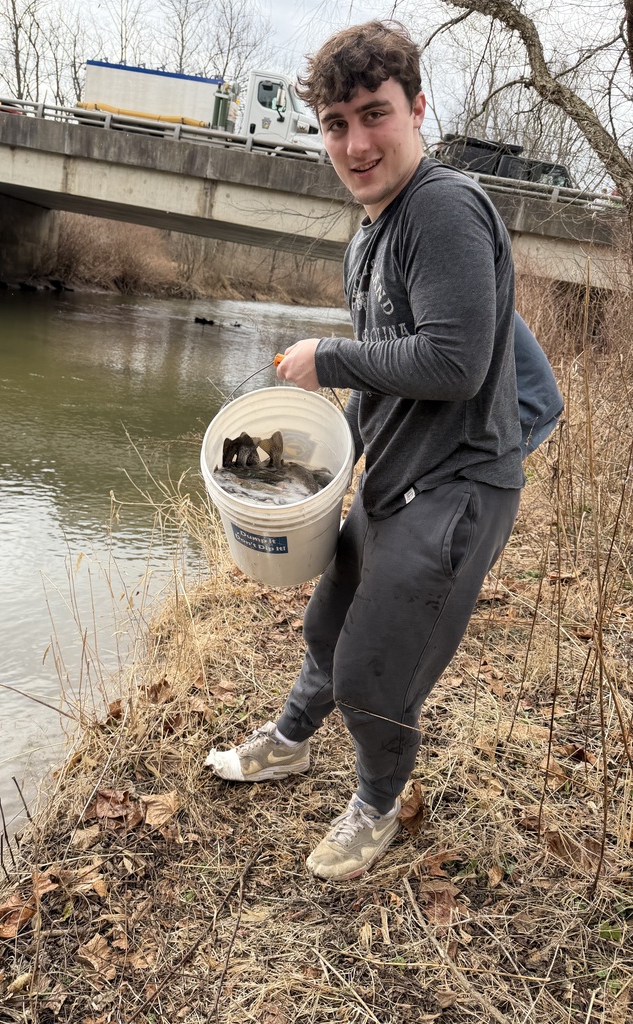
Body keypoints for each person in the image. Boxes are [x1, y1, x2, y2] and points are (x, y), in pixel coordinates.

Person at [206, 19, 528, 881]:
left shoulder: (444, 209)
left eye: (374, 115)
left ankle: (378, 805)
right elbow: (429, 359)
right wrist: (315, 444)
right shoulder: (372, 232)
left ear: (420, 108)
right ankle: (289, 743)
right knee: (328, 625)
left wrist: (329, 357)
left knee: (372, 676)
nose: (355, 143)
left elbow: (456, 364)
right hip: (393, 477)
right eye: (336, 123)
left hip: (456, 489)